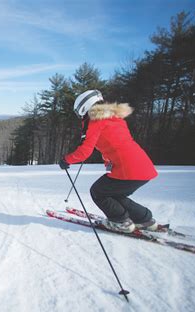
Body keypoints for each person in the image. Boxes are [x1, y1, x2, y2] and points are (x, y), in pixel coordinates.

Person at [59, 90, 158, 233]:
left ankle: (121, 222)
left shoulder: (95, 121)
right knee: (114, 195)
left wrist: (66, 160)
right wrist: (108, 162)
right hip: (143, 167)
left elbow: (85, 151)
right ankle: (145, 220)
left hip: (128, 168)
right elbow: (114, 143)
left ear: (83, 107)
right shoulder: (115, 118)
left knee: (98, 191)